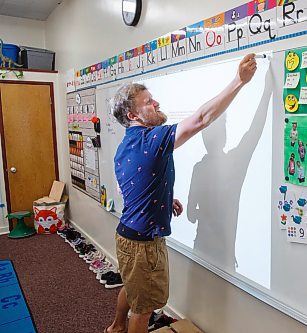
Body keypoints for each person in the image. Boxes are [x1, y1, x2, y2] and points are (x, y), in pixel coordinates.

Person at [106, 54, 257, 333]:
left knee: (132, 286)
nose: (157, 103)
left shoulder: (127, 144)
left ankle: (116, 327)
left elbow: (131, 187)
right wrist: (239, 81)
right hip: (143, 245)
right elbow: (201, 118)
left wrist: (163, 199)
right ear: (133, 115)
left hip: (127, 235)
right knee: (145, 307)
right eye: (149, 102)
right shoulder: (153, 139)